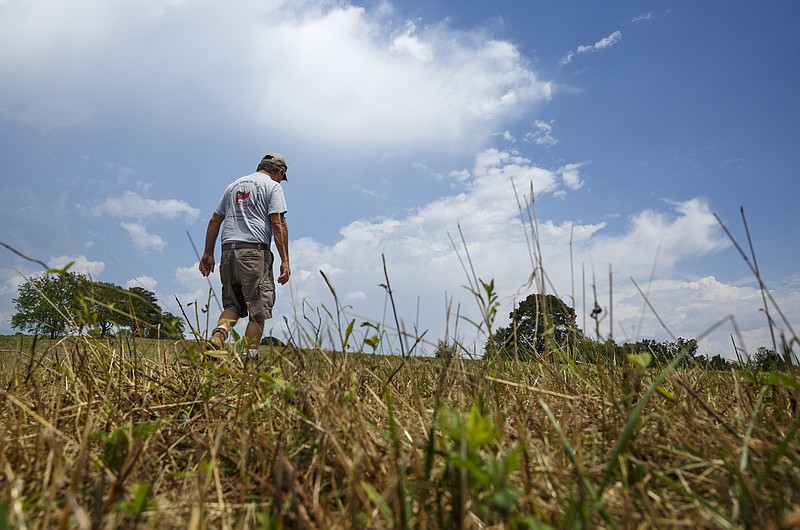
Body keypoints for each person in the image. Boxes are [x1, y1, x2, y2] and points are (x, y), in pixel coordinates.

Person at [198, 153, 291, 358]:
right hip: (254, 254)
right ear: (280, 171)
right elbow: (277, 223)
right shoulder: (273, 187)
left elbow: (215, 220)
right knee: (258, 311)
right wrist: (285, 260)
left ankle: (220, 334)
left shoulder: (233, 186)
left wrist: (207, 254)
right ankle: (250, 358)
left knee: (232, 305)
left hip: (227, 253)